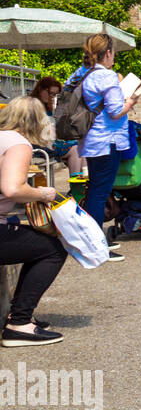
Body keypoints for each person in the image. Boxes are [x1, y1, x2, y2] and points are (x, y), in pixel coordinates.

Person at [0, 97, 68, 346]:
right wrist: (43, 194)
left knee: (33, 242)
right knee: (53, 249)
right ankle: (19, 323)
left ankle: (17, 314)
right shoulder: (19, 144)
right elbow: (11, 189)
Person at [68, 33, 134, 262]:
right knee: (99, 193)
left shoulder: (82, 72)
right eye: (113, 53)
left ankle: (93, 239)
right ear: (108, 53)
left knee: (95, 190)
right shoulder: (106, 76)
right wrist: (131, 102)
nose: (114, 57)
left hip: (90, 141)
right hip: (107, 141)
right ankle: (96, 246)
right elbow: (116, 111)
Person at [29, 76, 84, 177]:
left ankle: (82, 182)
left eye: (55, 95)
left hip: (48, 141)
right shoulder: (32, 105)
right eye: (51, 93)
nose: (52, 97)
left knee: (81, 145)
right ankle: (76, 184)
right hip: (37, 144)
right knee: (75, 149)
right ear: (41, 89)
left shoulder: (47, 106)